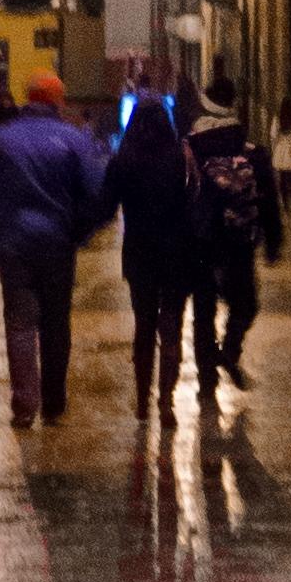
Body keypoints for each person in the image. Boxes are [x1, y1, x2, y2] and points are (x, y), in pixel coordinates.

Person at [0, 69, 109, 432]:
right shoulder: (74, 140)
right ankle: (54, 402)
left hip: (13, 244)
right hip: (57, 245)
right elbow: (95, 194)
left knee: (18, 323)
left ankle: (24, 405)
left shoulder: (0, 139)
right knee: (55, 323)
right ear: (57, 101)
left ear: (29, 98)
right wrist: (80, 234)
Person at [186, 65, 285, 398]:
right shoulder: (251, 150)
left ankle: (206, 380)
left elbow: (180, 195)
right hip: (239, 241)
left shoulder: (191, 148)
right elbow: (268, 198)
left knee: (203, 311)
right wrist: (273, 240)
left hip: (200, 243)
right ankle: (229, 351)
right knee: (245, 305)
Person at [107, 82, 198, 421]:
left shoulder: (124, 160)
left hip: (139, 254)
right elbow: (193, 201)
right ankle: (167, 403)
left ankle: (143, 402)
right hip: (176, 254)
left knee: (143, 327)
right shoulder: (179, 158)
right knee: (171, 328)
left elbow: (106, 204)